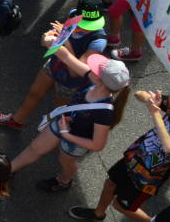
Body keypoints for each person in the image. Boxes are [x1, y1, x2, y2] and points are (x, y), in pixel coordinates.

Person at [69, 87, 170, 222]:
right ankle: (98, 214)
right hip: (132, 159)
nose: (165, 101)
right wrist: (150, 99)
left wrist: (156, 113)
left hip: (147, 179)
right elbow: (138, 93)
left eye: (168, 102)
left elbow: (169, 147)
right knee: (110, 184)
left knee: (120, 206)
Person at [9, 51, 130, 193]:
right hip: (64, 122)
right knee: (35, 147)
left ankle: (64, 181)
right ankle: (7, 170)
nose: (92, 69)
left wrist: (67, 135)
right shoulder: (93, 79)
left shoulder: (104, 113)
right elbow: (67, 57)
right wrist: (54, 43)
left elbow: (97, 145)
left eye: (96, 70)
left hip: (75, 140)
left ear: (100, 81)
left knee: (66, 161)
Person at [0, 0, 108, 130]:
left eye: (88, 25)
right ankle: (16, 120)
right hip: (54, 64)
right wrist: (50, 36)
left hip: (69, 81)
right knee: (34, 93)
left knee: (59, 110)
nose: (84, 28)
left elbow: (76, 72)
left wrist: (65, 39)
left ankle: (53, 134)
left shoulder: (98, 41)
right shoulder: (73, 15)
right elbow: (62, 30)